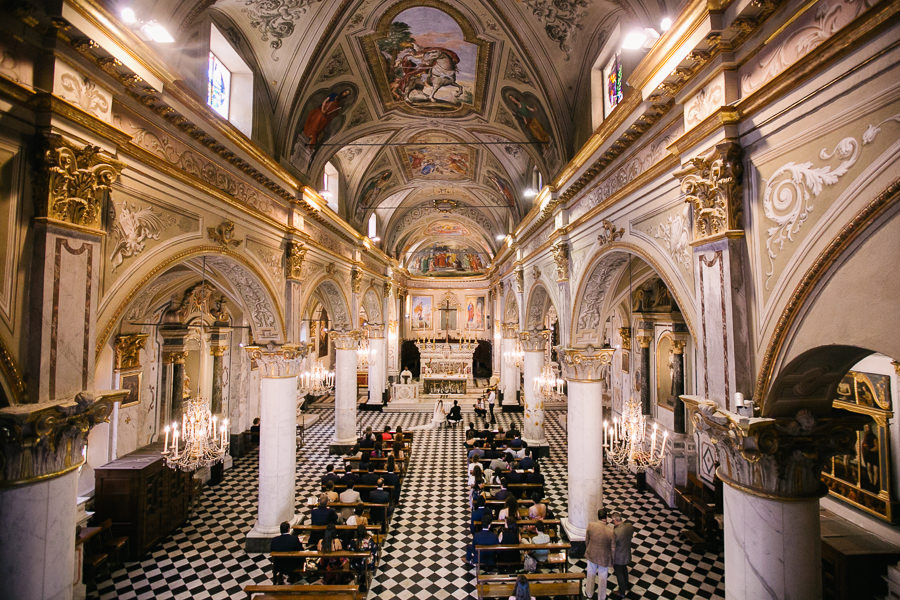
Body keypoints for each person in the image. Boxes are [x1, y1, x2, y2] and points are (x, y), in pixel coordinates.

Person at [584, 508, 615, 600]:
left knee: (590, 574)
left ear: (598, 516)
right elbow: (613, 548)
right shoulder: (610, 531)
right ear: (606, 517)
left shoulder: (591, 525)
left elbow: (587, 540)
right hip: (604, 558)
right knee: (603, 578)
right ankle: (601, 597)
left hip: (592, 554)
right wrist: (613, 559)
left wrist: (588, 548)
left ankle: (589, 592)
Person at [611, 513, 635, 599]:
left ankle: (621, 592)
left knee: (619, 573)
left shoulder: (616, 532)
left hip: (618, 556)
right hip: (627, 553)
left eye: (612, 521)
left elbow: (613, 545)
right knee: (624, 569)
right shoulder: (629, 526)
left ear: (615, 520)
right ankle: (626, 584)